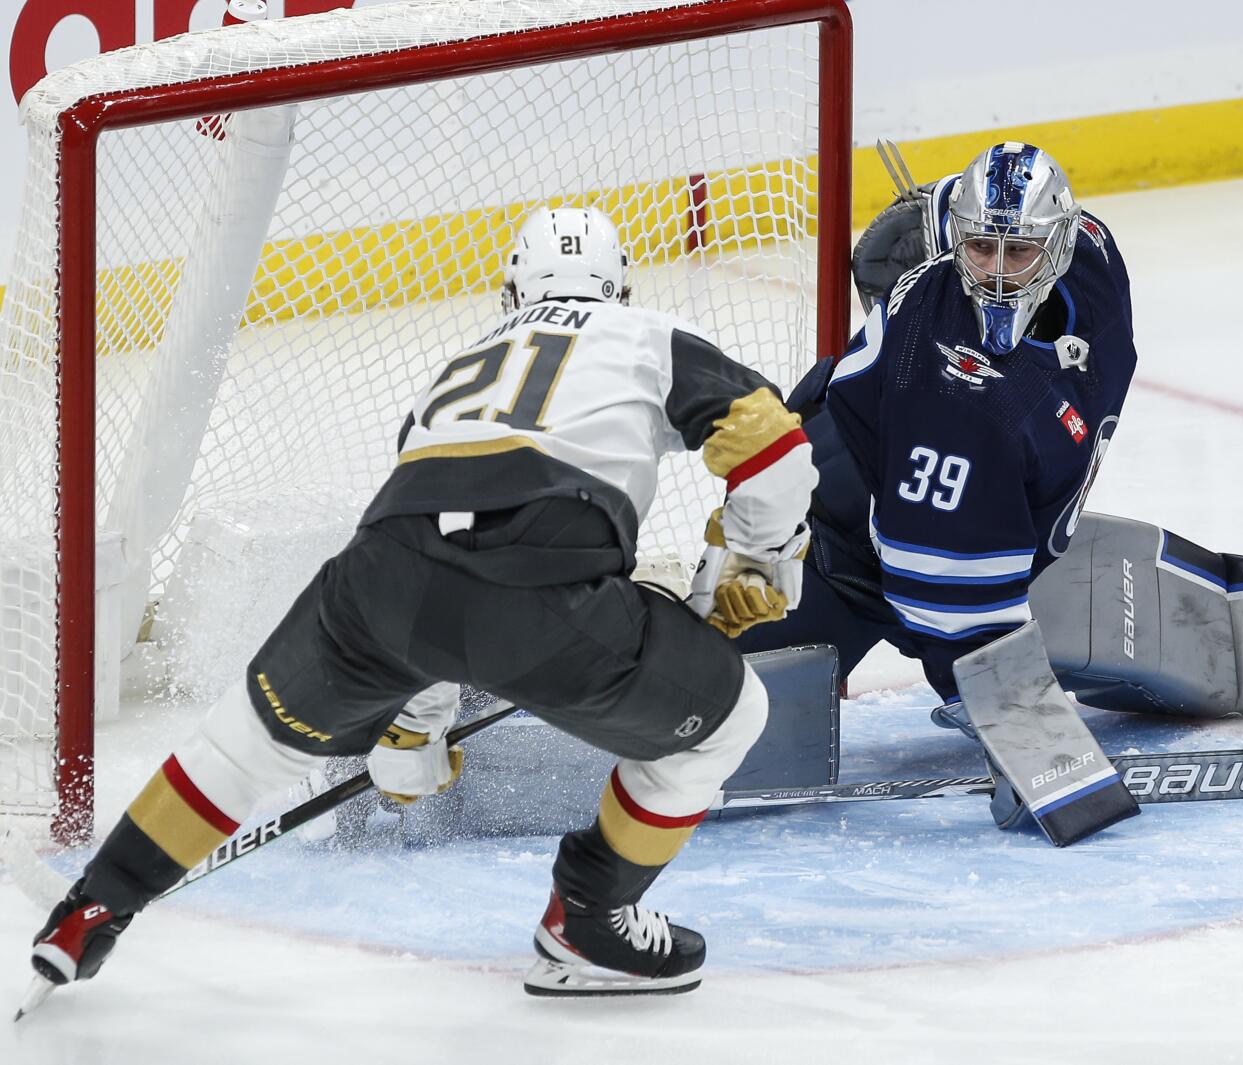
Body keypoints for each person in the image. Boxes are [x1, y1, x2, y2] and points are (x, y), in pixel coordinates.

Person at [29, 206, 816, 998]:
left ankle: (90, 907)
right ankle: (589, 920)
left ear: (512, 293)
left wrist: (412, 730)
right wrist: (753, 556)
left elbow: (434, 556)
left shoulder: (455, 371)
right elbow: (774, 441)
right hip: (544, 593)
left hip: (376, 581)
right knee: (733, 717)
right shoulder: (645, 333)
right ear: (620, 286)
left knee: (238, 752)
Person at [734, 141, 1135, 707]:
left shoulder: (1095, 260)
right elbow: (944, 605)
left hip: (881, 473)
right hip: (827, 547)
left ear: (1062, 241)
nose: (998, 273)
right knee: (720, 726)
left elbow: (984, 208)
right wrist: (998, 700)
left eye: (1018, 250)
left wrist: (944, 206)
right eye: (978, 249)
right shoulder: (956, 404)